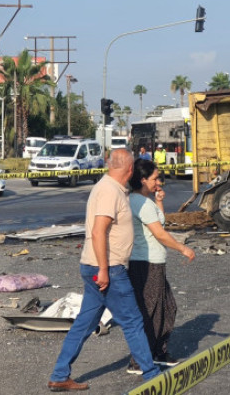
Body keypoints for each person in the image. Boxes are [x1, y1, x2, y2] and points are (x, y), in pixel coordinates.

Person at [48, 149, 160, 391]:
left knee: (85, 324)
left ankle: (59, 375)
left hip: (95, 266)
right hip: (108, 268)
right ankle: (153, 375)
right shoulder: (110, 191)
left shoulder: (110, 188)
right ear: (130, 170)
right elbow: (99, 232)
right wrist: (104, 270)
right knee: (132, 321)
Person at [126, 159, 195, 373]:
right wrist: (182, 248)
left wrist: (159, 201)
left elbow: (159, 222)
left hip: (152, 262)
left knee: (167, 307)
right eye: (155, 178)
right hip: (147, 264)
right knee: (151, 312)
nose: (159, 182)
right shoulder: (140, 203)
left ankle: (158, 352)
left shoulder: (143, 202)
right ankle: (139, 360)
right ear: (142, 179)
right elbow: (160, 234)